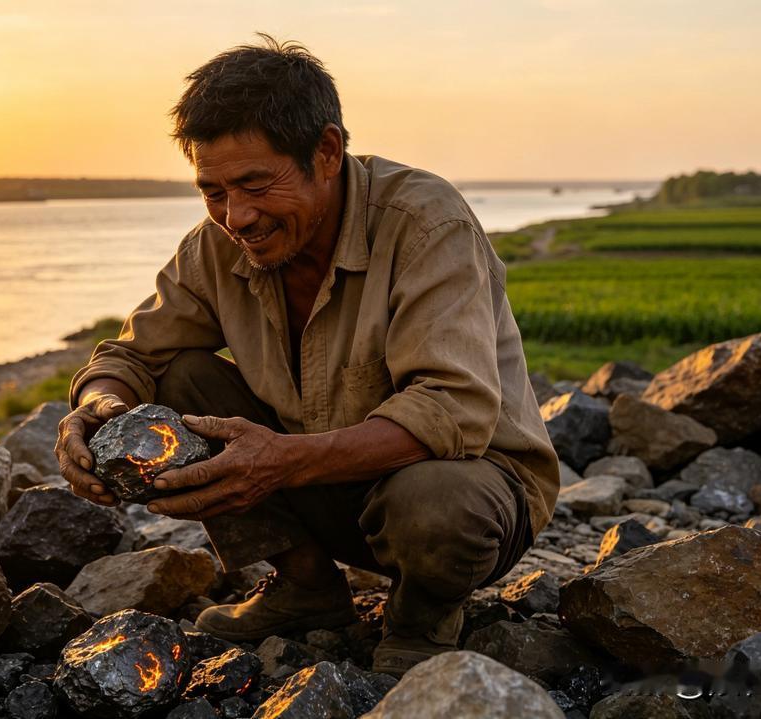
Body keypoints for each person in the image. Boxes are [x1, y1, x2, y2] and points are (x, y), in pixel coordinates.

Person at [54, 35, 559, 677]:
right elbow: (134, 355)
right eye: (213, 191)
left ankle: (422, 621)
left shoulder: (427, 221)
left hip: (470, 496)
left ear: (326, 151)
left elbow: (454, 409)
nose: (237, 217)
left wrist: (282, 462)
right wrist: (97, 408)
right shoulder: (218, 243)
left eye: (256, 184)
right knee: (180, 375)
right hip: (320, 486)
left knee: (436, 498)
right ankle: (307, 589)